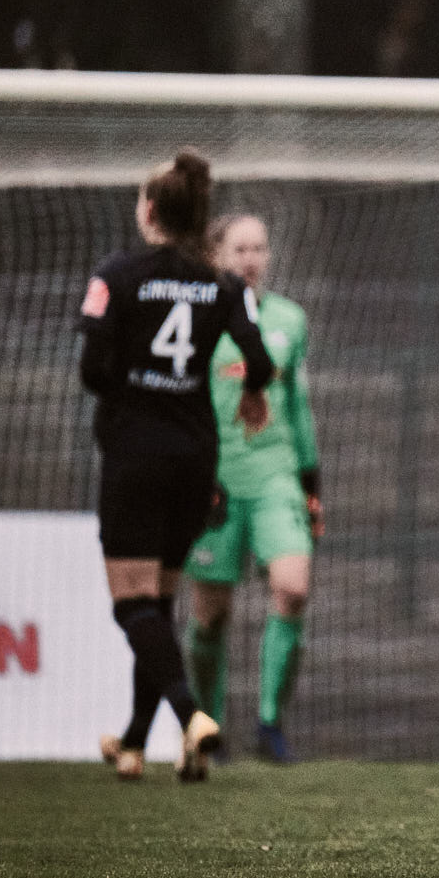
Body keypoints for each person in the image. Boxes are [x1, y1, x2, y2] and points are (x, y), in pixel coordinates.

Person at [81, 150, 276, 782]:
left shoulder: (117, 274)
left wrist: (132, 393)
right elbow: (259, 361)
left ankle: (192, 715)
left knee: (131, 605)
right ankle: (136, 743)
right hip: (195, 456)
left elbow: (92, 369)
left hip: (136, 454)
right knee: (159, 602)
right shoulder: (222, 284)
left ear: (149, 210)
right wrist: (252, 394)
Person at [183, 213, 323, 763]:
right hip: (214, 478)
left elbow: (298, 405)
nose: (250, 259)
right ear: (216, 255)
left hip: (275, 475)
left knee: (293, 587)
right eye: (239, 248)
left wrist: (311, 483)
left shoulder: (289, 319)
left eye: (259, 248)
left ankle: (269, 724)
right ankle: (208, 727)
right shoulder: (197, 318)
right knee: (210, 614)